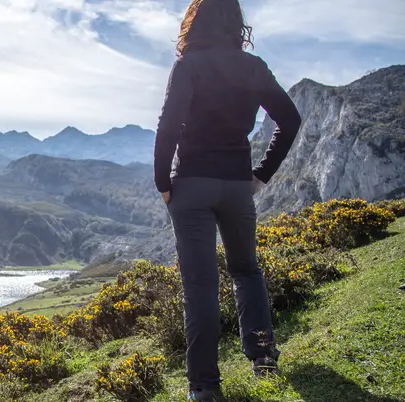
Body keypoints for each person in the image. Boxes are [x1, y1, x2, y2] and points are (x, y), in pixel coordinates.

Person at [153, 0, 302, 401]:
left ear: (193, 22)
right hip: (238, 185)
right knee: (246, 271)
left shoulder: (188, 67)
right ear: (238, 23)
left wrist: (162, 181)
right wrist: (261, 175)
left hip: (192, 186)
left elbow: (167, 125)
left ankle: (204, 387)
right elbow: (290, 120)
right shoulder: (252, 67)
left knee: (200, 285)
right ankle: (264, 359)